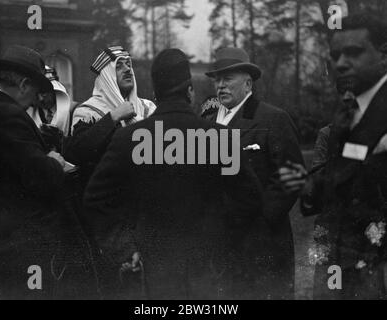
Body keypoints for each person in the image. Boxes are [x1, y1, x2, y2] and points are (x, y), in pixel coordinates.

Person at [83, 48, 263, 300]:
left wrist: (125, 249)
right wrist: (219, 240)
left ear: (156, 93)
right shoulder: (221, 138)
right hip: (207, 269)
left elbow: (95, 199)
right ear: (190, 91)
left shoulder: (129, 138)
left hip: (153, 269)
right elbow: (249, 199)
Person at [279, 13, 387, 299]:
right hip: (339, 248)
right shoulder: (343, 118)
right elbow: (334, 179)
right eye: (336, 55)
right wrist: (307, 185)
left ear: (383, 54)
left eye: (353, 52)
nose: (340, 63)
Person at [202, 47, 304, 299]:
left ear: (248, 83)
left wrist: (260, 221)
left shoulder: (272, 119)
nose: (220, 86)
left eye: (228, 79)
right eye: (217, 80)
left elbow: (292, 175)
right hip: (220, 248)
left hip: (262, 245)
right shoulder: (206, 123)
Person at [0, 45, 67, 299]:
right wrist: (54, 160)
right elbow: (40, 175)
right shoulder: (8, 115)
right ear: (22, 84)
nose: (35, 101)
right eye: (35, 92)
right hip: (17, 245)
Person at [64, 46, 156, 185]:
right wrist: (113, 117)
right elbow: (78, 152)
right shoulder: (88, 111)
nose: (127, 69)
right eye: (119, 66)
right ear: (108, 77)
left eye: (128, 64)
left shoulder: (148, 107)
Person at [27, 66, 72, 152]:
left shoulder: (73, 111)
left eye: (44, 93)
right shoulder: (29, 113)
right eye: (36, 94)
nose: (41, 99)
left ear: (55, 91)